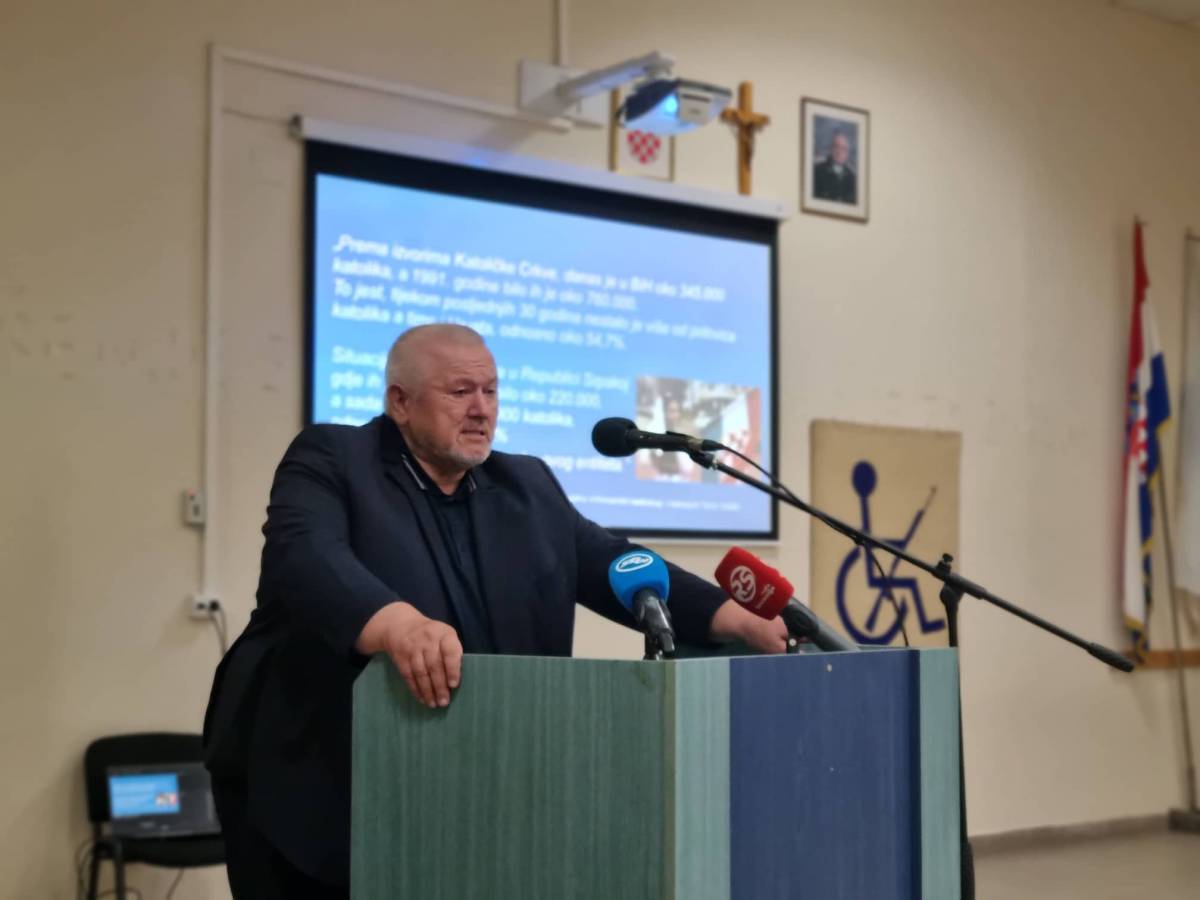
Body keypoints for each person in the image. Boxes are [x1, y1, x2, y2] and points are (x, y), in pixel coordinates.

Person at [203, 324, 787, 898]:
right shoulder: (335, 458)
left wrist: (731, 616)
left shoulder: (524, 484)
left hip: (470, 786)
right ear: (400, 402)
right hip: (313, 782)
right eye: (461, 392)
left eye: (490, 391)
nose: (481, 409)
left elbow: (612, 563)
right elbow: (305, 555)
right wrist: (395, 623)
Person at [812, 128, 857, 204]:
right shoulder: (817, 171)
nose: (839, 152)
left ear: (847, 153)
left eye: (843, 148)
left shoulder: (852, 178)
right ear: (831, 148)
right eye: (836, 147)